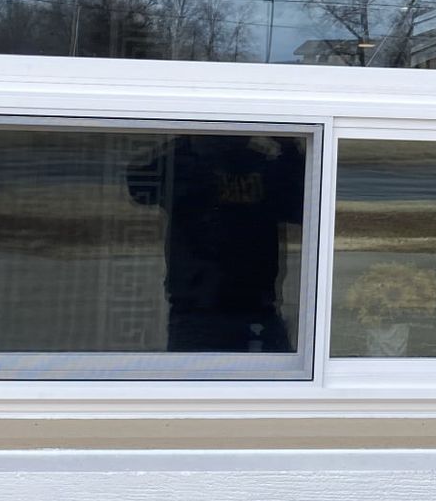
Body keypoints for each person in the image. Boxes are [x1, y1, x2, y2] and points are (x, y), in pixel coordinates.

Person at [130, 132, 306, 353]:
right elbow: (139, 186)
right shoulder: (185, 166)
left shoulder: (260, 167)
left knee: (278, 380)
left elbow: (303, 205)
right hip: (196, 308)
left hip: (254, 306)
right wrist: (184, 139)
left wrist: (288, 144)